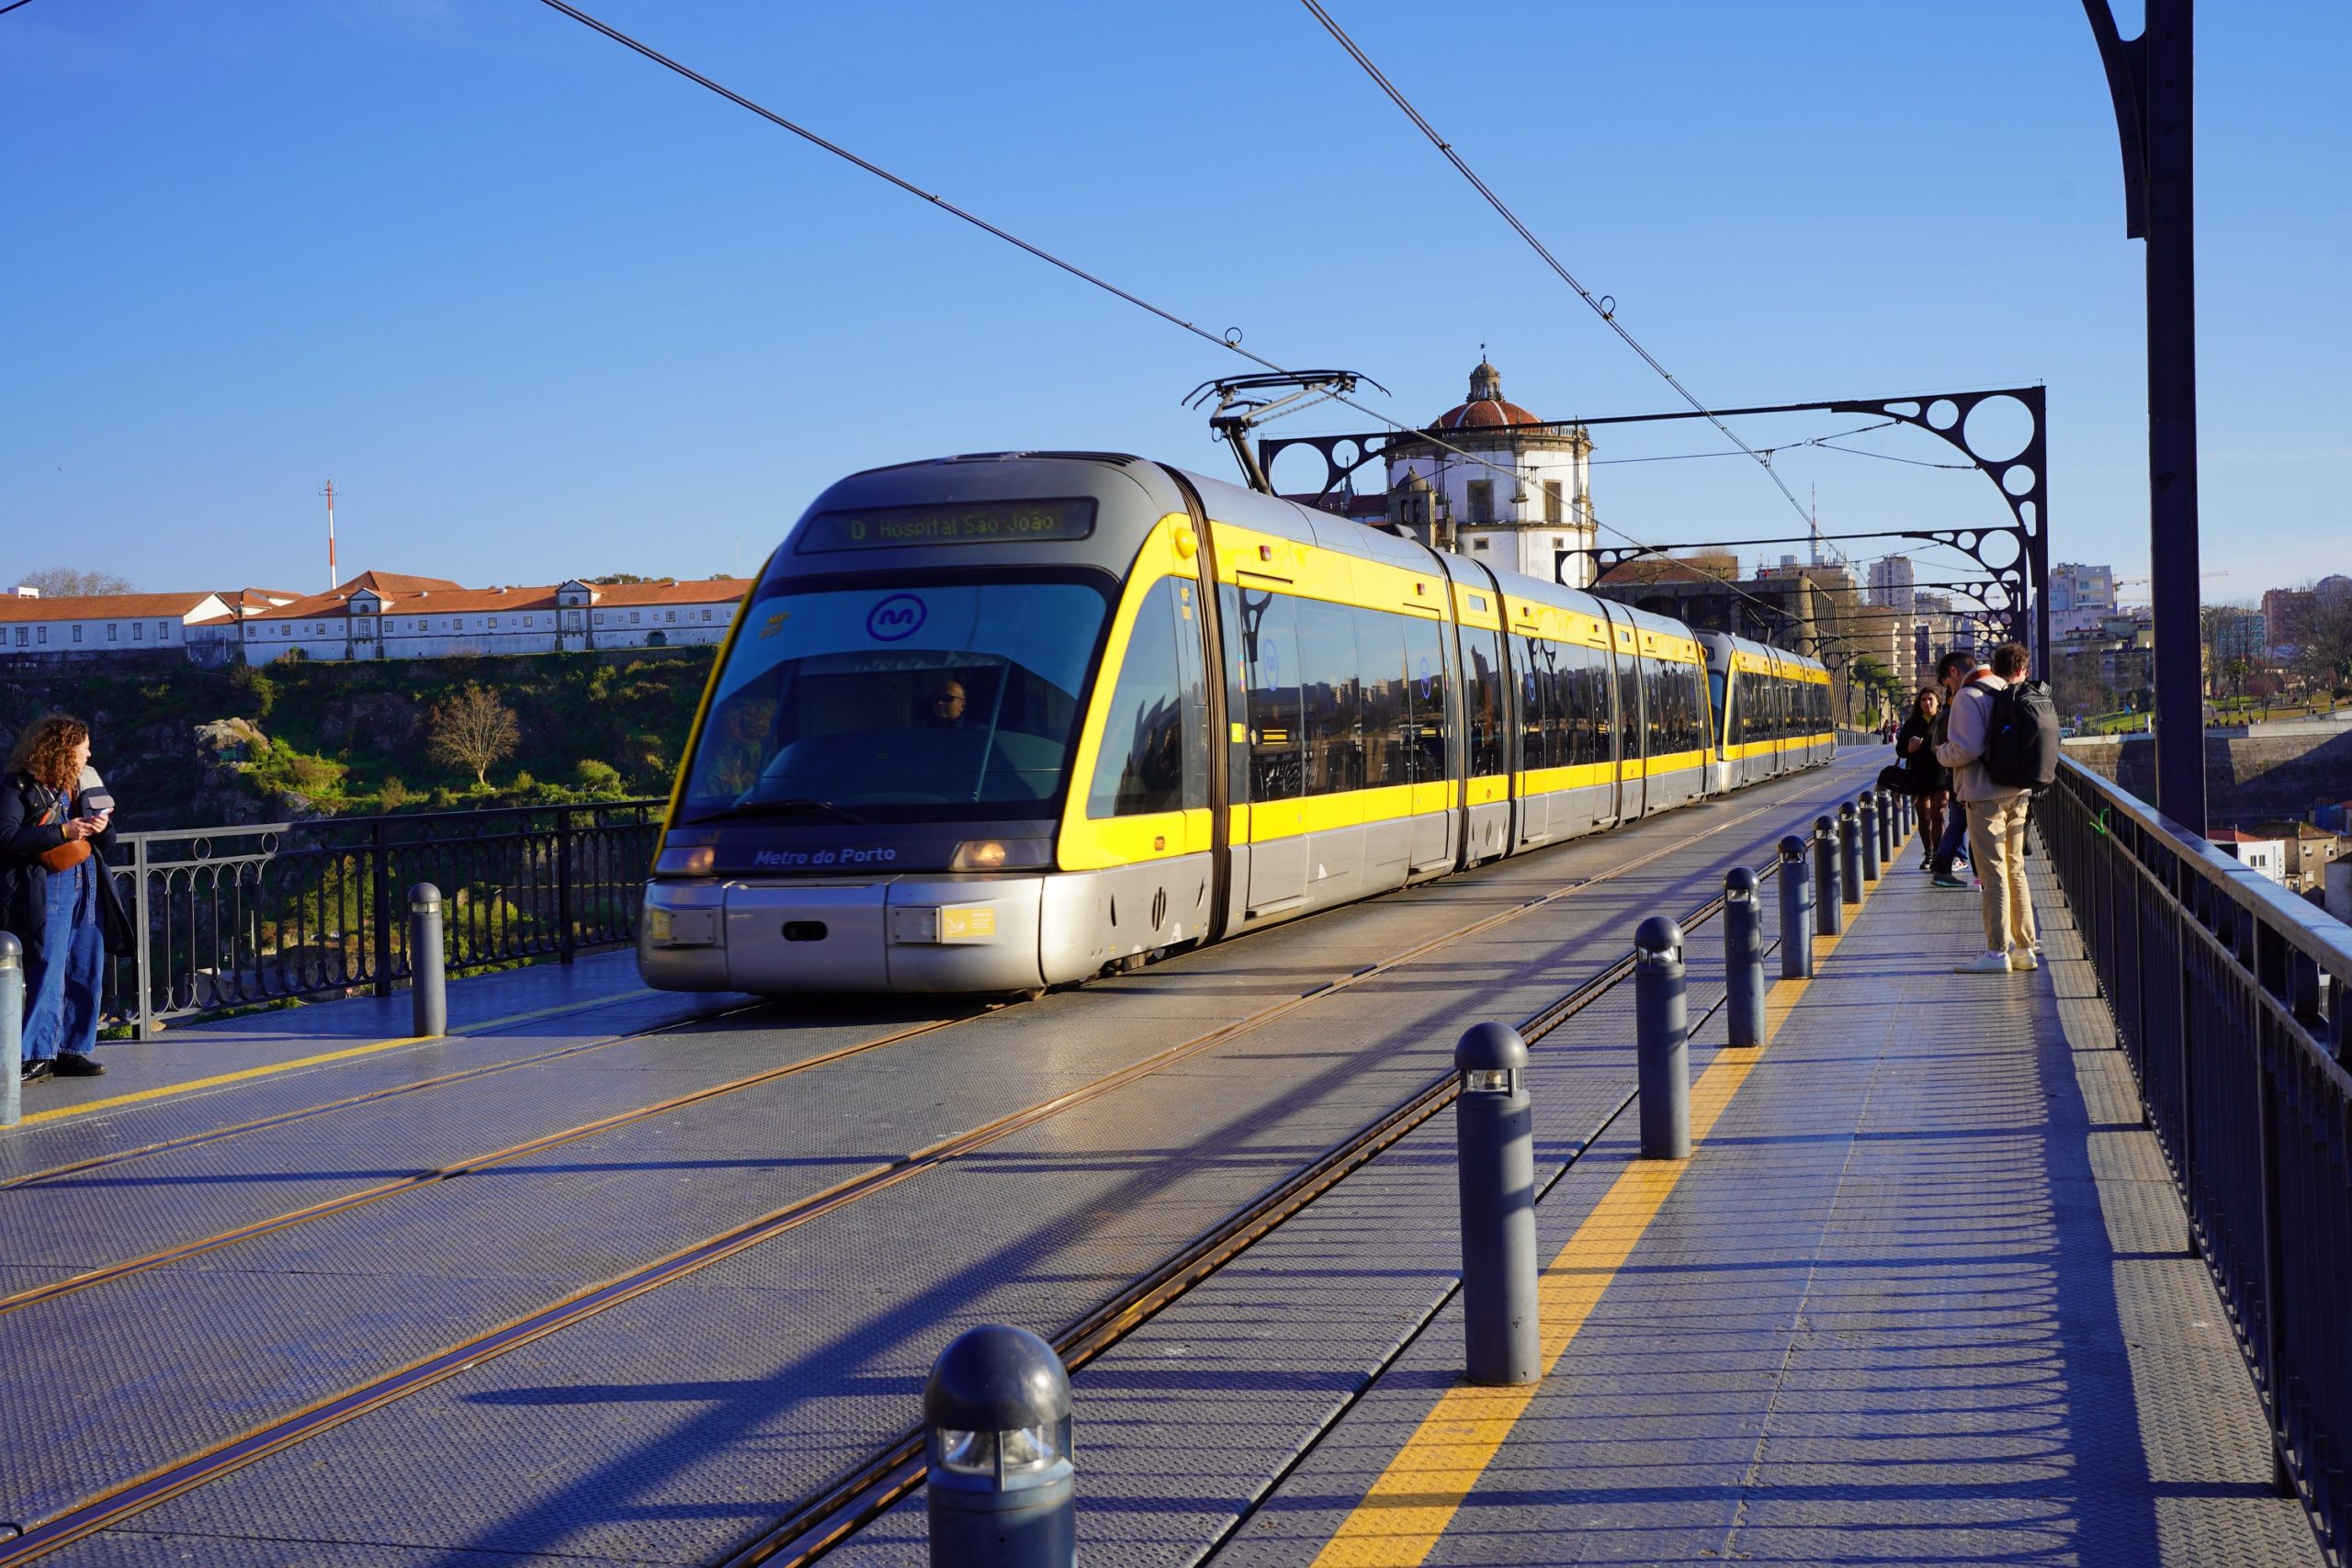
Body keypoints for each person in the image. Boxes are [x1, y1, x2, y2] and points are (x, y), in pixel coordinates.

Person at [2, 715, 122, 1080]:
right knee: (48, 966)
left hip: (88, 880)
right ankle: (36, 1054)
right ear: (62, 749)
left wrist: (101, 826)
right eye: (84, 747)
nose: (89, 754)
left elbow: (109, 841)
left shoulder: (82, 782)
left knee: (86, 966)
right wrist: (63, 831)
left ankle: (72, 1049)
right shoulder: (18, 784)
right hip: (48, 882)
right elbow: (6, 837)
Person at [1936, 645, 2037, 975]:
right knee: (2015, 869)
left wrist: (1940, 753)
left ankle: (1997, 952)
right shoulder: (2004, 686)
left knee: (1992, 874)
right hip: (2018, 791)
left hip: (1984, 795)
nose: (1948, 692)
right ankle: (2025, 949)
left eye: (1947, 684)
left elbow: (1967, 748)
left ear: (1955, 673)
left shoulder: (1968, 696)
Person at [1895, 689, 1951, 870]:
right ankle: (1929, 852)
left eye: (1930, 699)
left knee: (1937, 815)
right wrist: (1910, 749)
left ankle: (1939, 856)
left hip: (1940, 773)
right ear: (1919, 704)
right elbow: (1900, 750)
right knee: (1924, 818)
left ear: (1938, 702)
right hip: (1919, 775)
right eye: (1923, 700)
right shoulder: (1911, 724)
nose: (1927, 703)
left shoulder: (1944, 720)